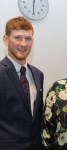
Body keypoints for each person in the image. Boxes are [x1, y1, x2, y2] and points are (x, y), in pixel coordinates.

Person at [0, 16, 44, 150]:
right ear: (6, 40)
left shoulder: (38, 74)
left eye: (28, 38)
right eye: (18, 37)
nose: (23, 44)